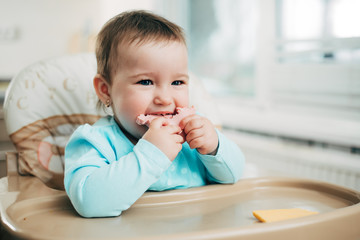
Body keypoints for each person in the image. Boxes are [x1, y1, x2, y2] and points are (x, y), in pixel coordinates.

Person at [64, 10, 245, 218]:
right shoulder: (95, 142)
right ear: (106, 90)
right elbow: (89, 202)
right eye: (146, 82)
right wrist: (152, 154)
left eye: (177, 82)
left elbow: (233, 176)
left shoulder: (192, 136)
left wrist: (214, 147)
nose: (165, 99)